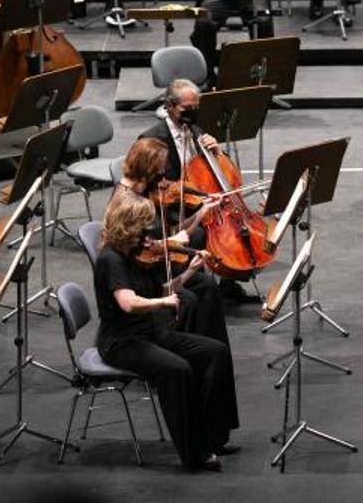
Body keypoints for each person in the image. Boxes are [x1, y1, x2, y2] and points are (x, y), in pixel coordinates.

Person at [93, 193, 238, 470]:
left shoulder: (135, 253)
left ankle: (213, 437)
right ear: (129, 227)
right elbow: (128, 303)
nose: (150, 234)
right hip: (122, 342)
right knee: (178, 370)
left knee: (214, 352)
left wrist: (188, 274)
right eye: (144, 227)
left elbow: (160, 290)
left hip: (149, 333)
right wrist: (163, 303)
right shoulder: (111, 259)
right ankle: (194, 454)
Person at [138, 79, 254, 303]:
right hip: (170, 206)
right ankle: (196, 286)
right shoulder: (152, 138)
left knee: (236, 225)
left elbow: (220, 171)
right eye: (187, 109)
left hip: (200, 199)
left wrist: (217, 152)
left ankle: (228, 284)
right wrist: (191, 196)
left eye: (196, 108)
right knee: (201, 233)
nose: (193, 114)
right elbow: (151, 187)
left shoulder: (195, 129)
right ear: (170, 106)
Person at [109, 137, 231, 349]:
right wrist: (169, 241)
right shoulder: (125, 202)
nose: (165, 170)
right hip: (143, 272)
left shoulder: (147, 190)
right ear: (149, 166)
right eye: (161, 164)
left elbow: (177, 231)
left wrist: (203, 212)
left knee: (208, 285)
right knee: (189, 299)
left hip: (158, 262)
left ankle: (211, 349)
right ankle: (186, 348)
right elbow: (134, 249)